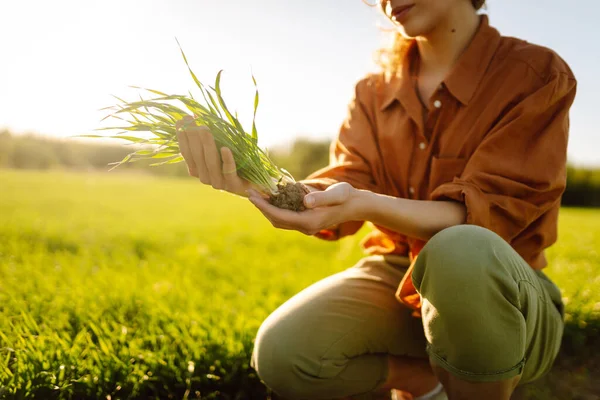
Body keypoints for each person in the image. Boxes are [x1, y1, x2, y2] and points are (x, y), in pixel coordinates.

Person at [175, 0, 577, 398]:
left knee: (459, 249)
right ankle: (428, 383)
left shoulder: (535, 74)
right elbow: (346, 182)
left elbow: (483, 215)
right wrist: (258, 184)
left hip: (502, 292)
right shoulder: (372, 91)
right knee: (284, 352)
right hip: (397, 277)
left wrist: (365, 203)